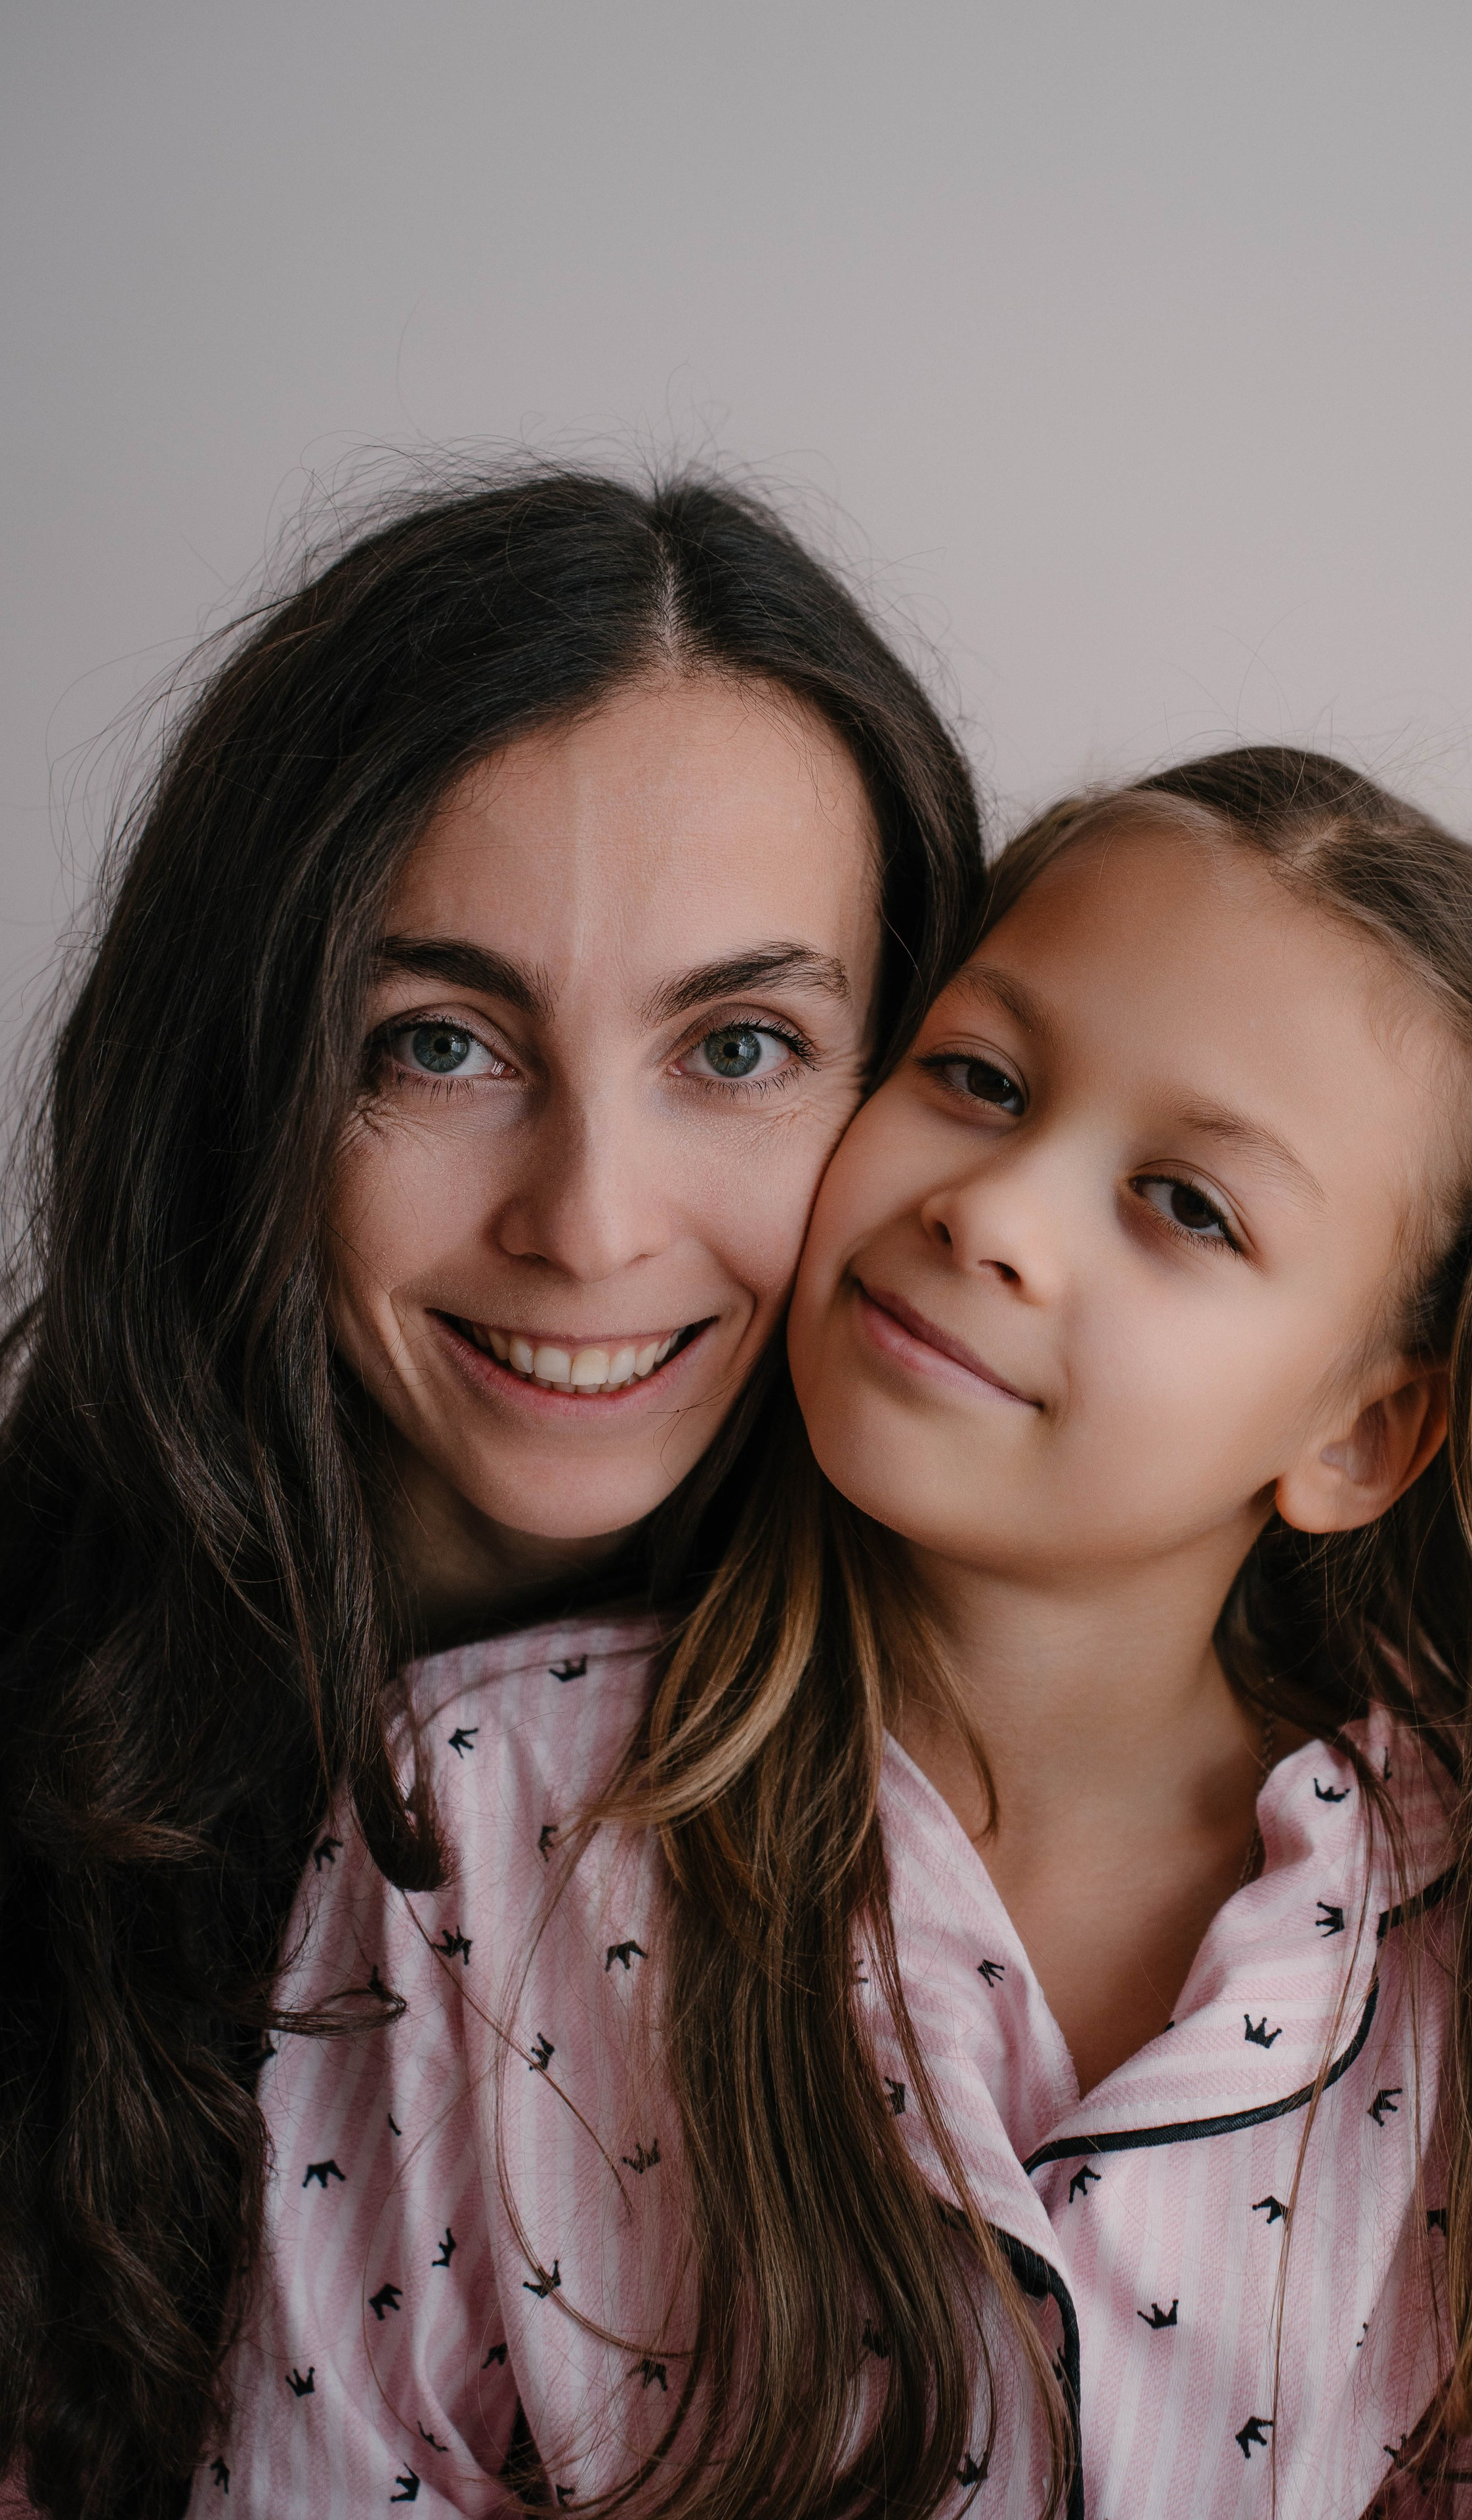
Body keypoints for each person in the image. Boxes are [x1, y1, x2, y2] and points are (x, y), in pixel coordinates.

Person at [194, 748, 1472, 2520]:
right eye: (977, 1079)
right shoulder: (478, 1804)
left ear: (1360, 1435)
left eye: (1186, 1205)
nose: (994, 1210)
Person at [0, 462, 984, 2520]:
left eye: (737, 1050)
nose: (590, 1223)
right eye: (439, 1043)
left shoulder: (1032, 1792)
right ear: (247, 1067)